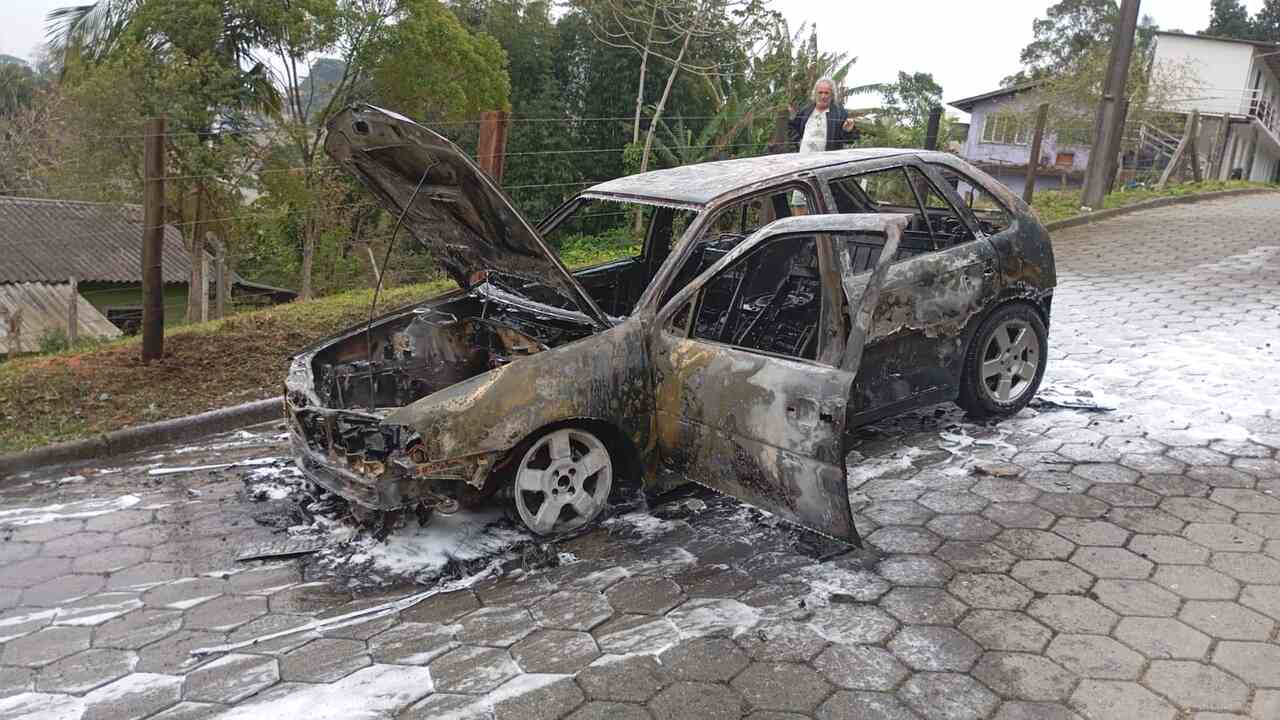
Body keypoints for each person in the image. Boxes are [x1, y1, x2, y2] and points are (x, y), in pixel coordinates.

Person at [787, 78, 860, 212]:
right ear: (815, 94)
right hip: (802, 165)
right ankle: (801, 232)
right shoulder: (806, 110)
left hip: (825, 168)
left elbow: (849, 139)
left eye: (827, 93)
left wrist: (847, 130)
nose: (823, 96)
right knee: (799, 202)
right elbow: (792, 127)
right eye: (820, 92)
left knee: (822, 204)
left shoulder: (839, 113)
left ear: (832, 95)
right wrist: (798, 142)